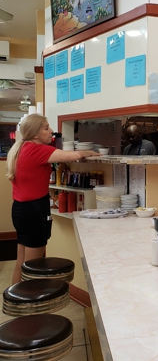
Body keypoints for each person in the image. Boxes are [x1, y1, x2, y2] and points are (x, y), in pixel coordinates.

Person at [5, 114, 101, 284]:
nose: (51, 131)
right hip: (34, 211)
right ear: (35, 134)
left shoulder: (20, 148)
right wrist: (91, 152)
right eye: (46, 127)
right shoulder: (38, 150)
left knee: (21, 262)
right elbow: (72, 156)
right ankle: (32, 306)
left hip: (20, 210)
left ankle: (17, 302)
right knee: (33, 265)